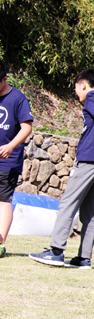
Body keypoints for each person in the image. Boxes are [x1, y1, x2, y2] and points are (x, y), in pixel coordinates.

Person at [29, 67, 94, 269]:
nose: (76, 93)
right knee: (90, 211)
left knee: (68, 203)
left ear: (83, 85)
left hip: (91, 159)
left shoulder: (93, 96)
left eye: (76, 88)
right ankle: (84, 259)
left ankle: (56, 252)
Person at [0, 62, 34, 258]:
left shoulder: (18, 98)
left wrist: (10, 146)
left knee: (3, 199)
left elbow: (26, 127)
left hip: (7, 161)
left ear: (4, 80)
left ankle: (0, 242)